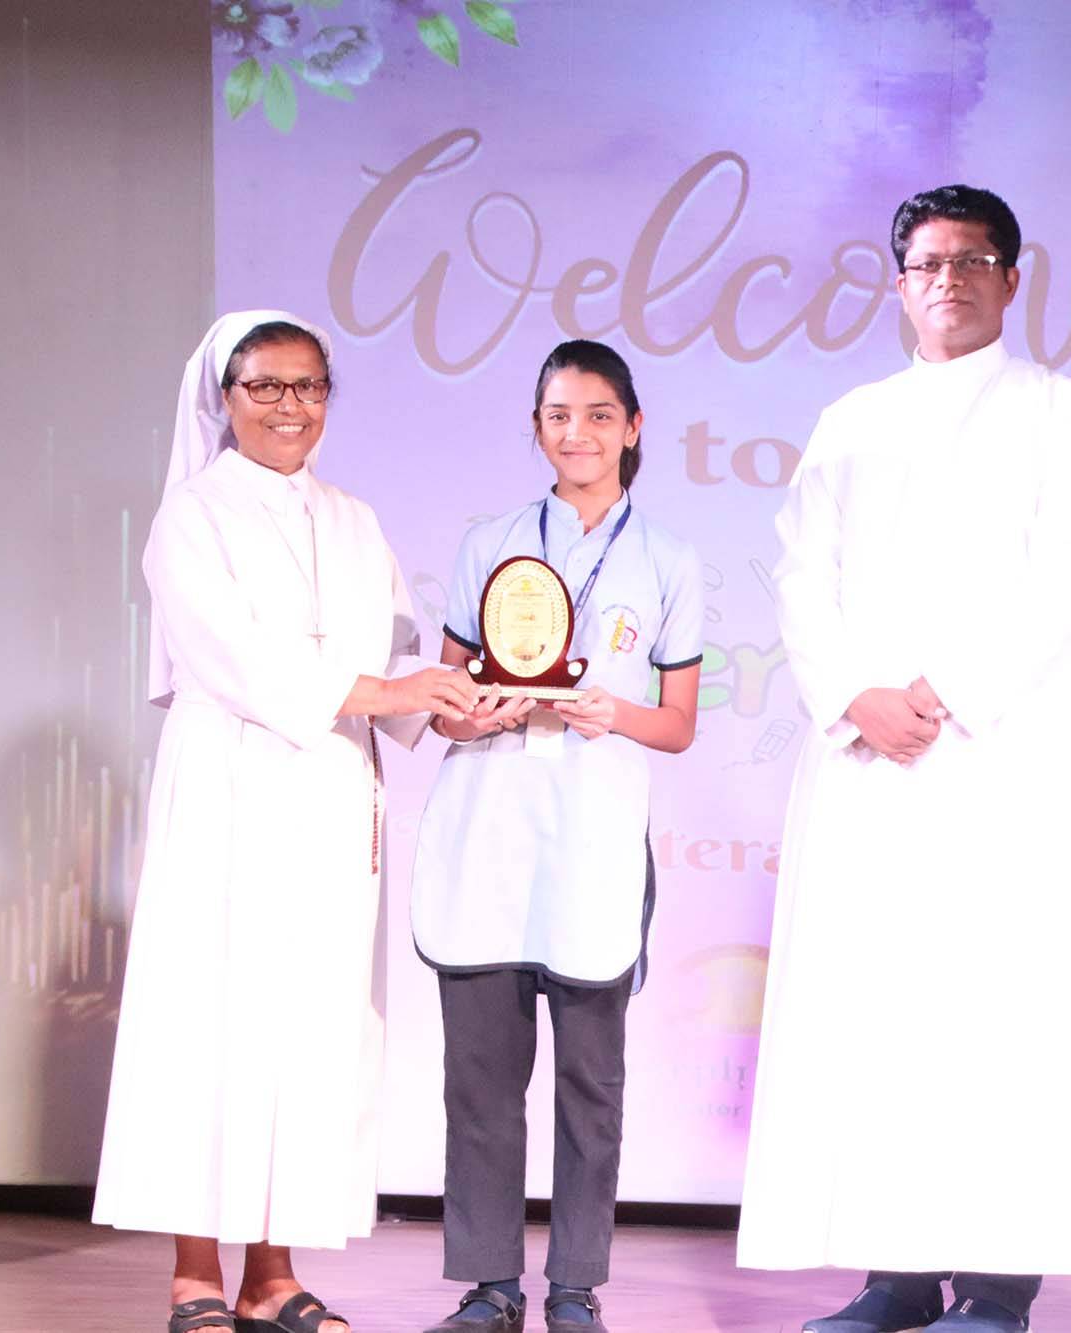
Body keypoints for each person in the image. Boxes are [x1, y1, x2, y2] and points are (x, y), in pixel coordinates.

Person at [736, 185, 1071, 1333]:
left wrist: (941, 692)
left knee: (1000, 1015)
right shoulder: (850, 418)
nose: (947, 279)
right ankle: (895, 1275)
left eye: (970, 259)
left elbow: (1069, 577)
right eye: (925, 262)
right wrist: (850, 696)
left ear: (1012, 277)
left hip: (1003, 761)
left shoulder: (1062, 412)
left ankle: (997, 1286)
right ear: (897, 284)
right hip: (868, 762)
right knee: (880, 1017)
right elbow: (801, 575)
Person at [94, 311, 485, 1333]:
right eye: (265, 386)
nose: (289, 406)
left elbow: (393, 656)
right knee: (212, 1024)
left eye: (309, 385)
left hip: (330, 801)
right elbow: (235, 658)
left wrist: (459, 701)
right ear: (224, 397)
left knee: (310, 1031)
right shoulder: (192, 515)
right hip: (228, 794)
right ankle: (192, 1273)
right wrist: (393, 692)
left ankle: (272, 1275)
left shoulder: (353, 517)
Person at [410, 340, 703, 1333]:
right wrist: (473, 714)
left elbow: (678, 724)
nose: (575, 433)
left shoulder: (667, 560)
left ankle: (574, 1285)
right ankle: (489, 1285)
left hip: (592, 840)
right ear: (536, 427)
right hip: (488, 832)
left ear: (632, 425)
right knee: (480, 1084)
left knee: (590, 1082)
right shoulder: (489, 543)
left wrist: (609, 712)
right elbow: (444, 704)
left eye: (596, 414)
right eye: (556, 415)